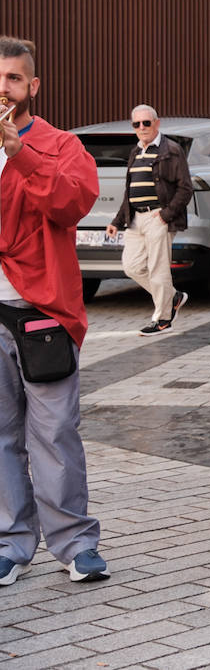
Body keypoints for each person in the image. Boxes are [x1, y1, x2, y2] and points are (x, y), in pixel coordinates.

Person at [0, 36, 109, 587]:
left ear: (33, 86)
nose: (3, 89)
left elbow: (70, 203)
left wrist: (17, 152)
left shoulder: (61, 145)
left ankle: (74, 543)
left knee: (55, 432)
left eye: (14, 79)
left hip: (41, 308)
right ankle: (12, 542)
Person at [107, 104, 191, 334]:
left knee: (158, 269)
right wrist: (116, 221)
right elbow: (129, 191)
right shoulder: (136, 152)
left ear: (157, 123)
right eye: (137, 124)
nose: (142, 128)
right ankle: (172, 297)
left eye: (146, 123)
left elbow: (185, 188)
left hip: (158, 216)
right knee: (132, 266)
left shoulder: (171, 150)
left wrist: (166, 214)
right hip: (135, 218)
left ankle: (163, 319)